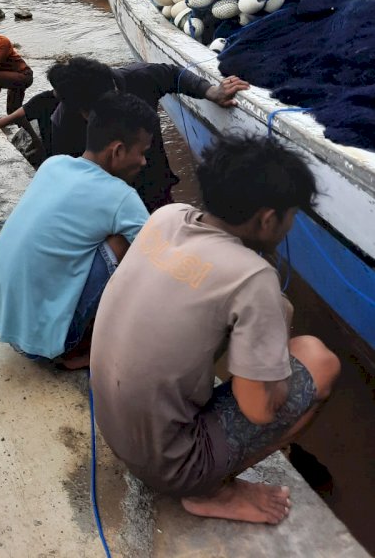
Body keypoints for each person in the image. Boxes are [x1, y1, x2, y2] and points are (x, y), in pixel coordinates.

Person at [90, 134, 340, 525]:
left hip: (113, 427)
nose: (291, 225)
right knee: (319, 360)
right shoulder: (253, 278)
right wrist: (278, 331)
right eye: (292, 216)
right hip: (170, 465)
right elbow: (259, 410)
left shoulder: (167, 217)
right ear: (268, 218)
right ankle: (213, 490)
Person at [0, 92, 158, 369]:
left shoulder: (54, 164)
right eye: (143, 153)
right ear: (118, 151)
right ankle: (73, 349)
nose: (145, 162)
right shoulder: (122, 197)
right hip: (41, 345)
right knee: (125, 241)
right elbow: (160, 260)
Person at [46, 56, 249, 211]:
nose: (88, 118)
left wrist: (211, 92)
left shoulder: (139, 77)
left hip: (154, 180)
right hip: (107, 196)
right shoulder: (64, 119)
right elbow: (68, 179)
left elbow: (173, 74)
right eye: (85, 114)